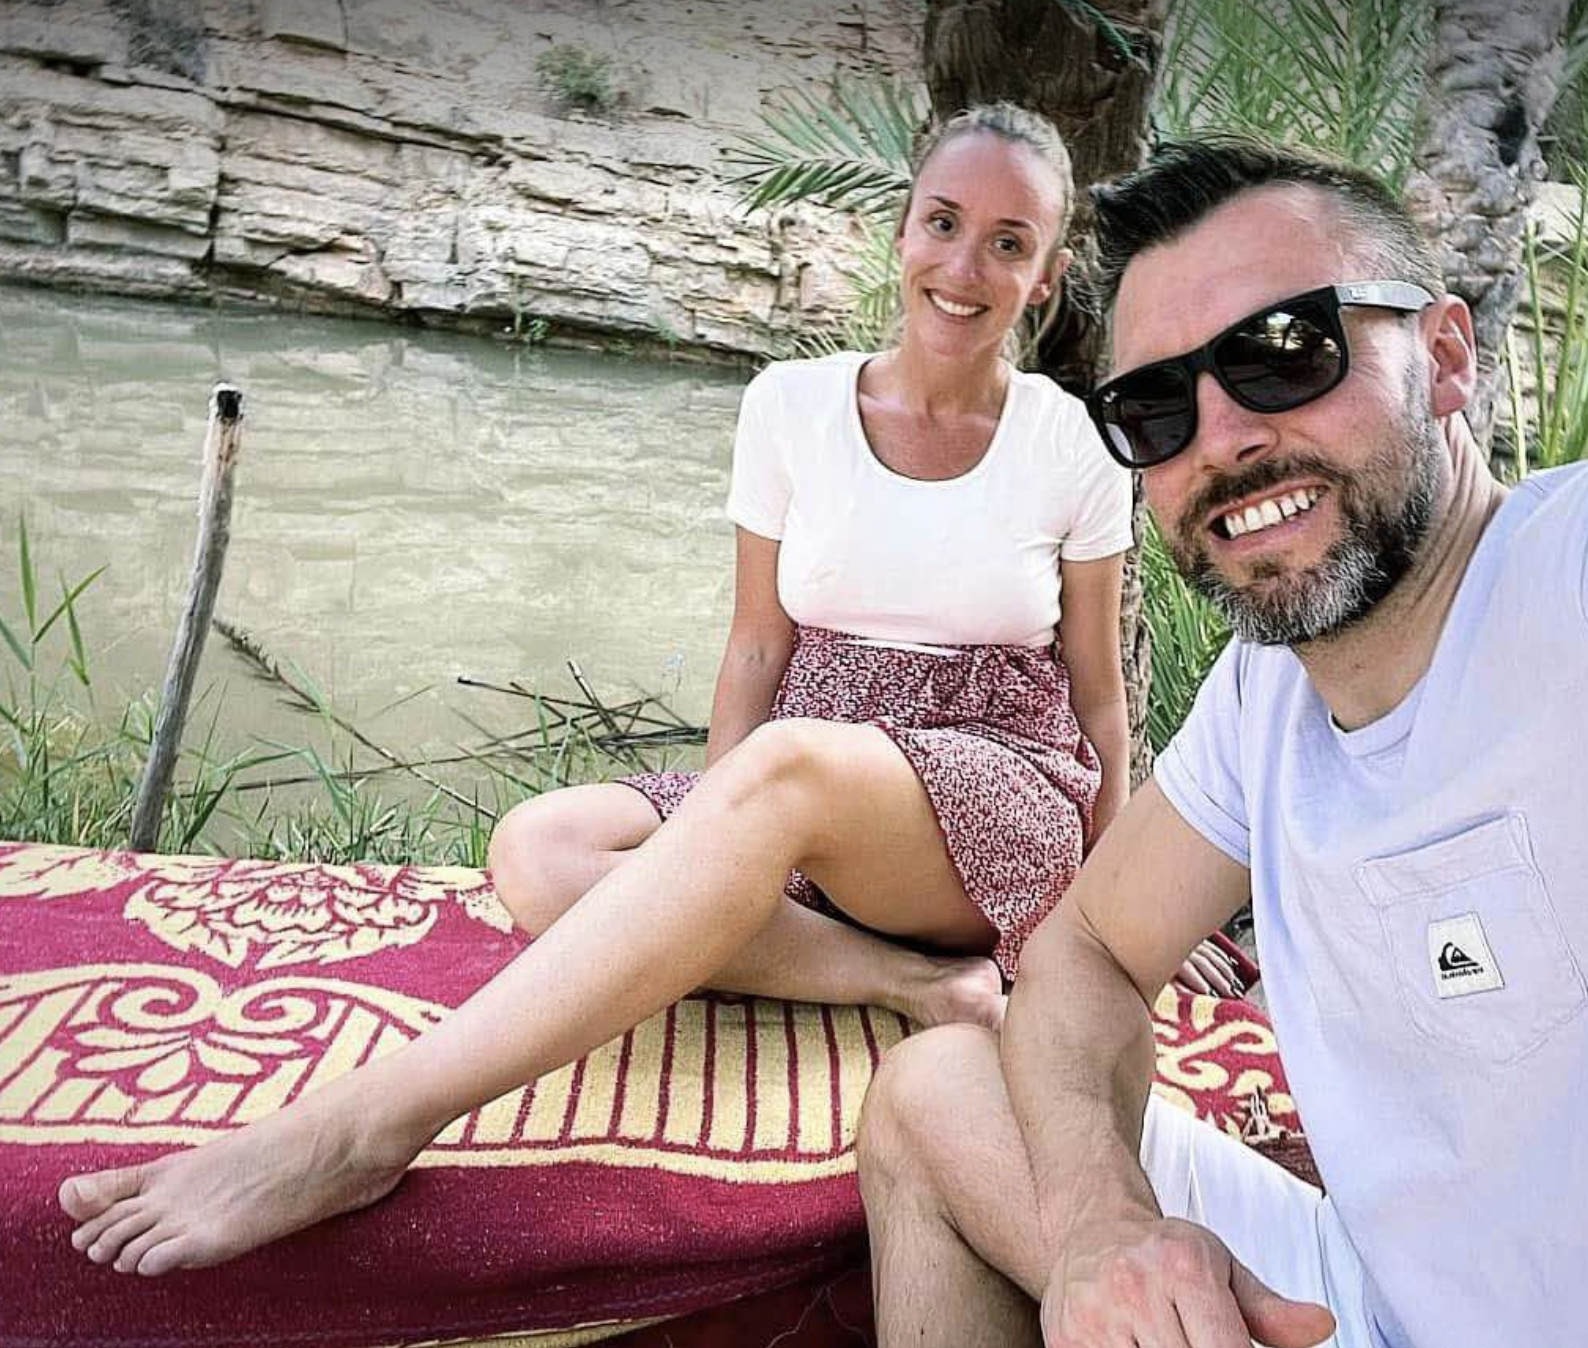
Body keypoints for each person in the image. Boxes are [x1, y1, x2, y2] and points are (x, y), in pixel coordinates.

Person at [57, 103, 1237, 1278]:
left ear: (1046, 276)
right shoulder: (787, 404)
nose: (964, 266)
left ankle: (364, 1125)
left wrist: (1106, 912)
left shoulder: (1068, 442)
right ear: (900, 230)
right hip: (803, 763)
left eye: (1008, 242)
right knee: (537, 850)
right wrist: (727, 843)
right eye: (943, 222)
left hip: (990, 780)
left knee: (784, 767)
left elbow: (1097, 700)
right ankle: (918, 982)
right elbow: (757, 649)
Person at [855, 136, 1588, 1348]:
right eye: (1155, 408)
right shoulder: (1268, 692)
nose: (1222, 439)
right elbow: (1085, 951)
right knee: (937, 1088)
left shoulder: (1561, 577)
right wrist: (1098, 1222)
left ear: (1446, 358)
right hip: (1359, 1301)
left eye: (1284, 352)